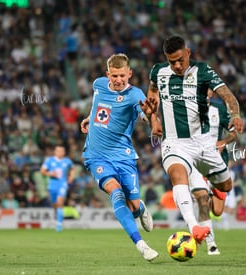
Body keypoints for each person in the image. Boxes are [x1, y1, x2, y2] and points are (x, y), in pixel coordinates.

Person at [145, 35, 244, 243]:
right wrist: (154, 120)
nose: (177, 65)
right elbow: (152, 94)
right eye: (172, 62)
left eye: (181, 59)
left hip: (203, 143)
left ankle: (215, 187)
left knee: (226, 186)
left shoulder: (203, 71)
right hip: (174, 143)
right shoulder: (158, 71)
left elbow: (228, 96)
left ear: (188, 52)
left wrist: (234, 115)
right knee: (177, 175)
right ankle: (194, 226)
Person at [80, 53, 159, 262]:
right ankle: (141, 245)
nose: (118, 80)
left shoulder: (135, 95)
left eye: (122, 76)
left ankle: (140, 207)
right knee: (115, 192)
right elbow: (99, 104)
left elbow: (144, 115)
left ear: (129, 74)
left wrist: (149, 115)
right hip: (96, 156)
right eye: (114, 76)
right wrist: (90, 117)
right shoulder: (98, 84)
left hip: (123, 157)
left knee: (132, 206)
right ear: (108, 74)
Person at [189, 91, 237, 255]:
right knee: (202, 199)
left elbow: (233, 133)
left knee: (217, 211)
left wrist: (223, 142)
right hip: (195, 162)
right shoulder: (187, 108)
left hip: (217, 163)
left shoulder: (220, 110)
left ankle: (208, 199)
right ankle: (211, 244)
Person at [40, 145, 76, 232]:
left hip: (62, 184)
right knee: (54, 204)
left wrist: (71, 177)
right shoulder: (49, 160)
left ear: (64, 152)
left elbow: (73, 169)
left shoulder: (67, 161)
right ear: (55, 152)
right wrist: (50, 174)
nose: (60, 152)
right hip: (52, 185)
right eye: (58, 151)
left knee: (60, 203)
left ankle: (59, 225)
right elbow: (42, 171)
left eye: (61, 151)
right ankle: (58, 215)